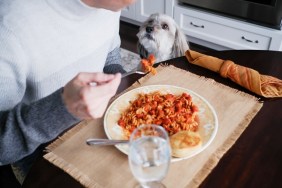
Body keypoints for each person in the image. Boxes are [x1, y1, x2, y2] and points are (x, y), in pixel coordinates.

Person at [0, 0, 136, 184]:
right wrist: (64, 107)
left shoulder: (111, 5)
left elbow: (109, 50)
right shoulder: (9, 25)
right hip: (37, 156)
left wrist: (116, 77)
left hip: (93, 128)